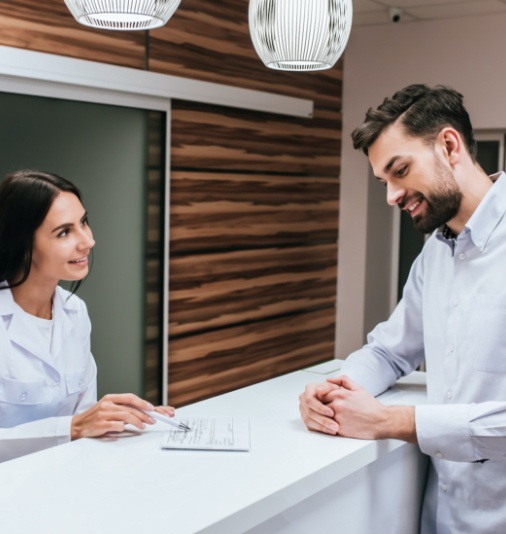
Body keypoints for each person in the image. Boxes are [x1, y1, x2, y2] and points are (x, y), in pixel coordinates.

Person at [299, 84, 506, 533]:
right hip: (440, 519)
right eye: (384, 181)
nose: (392, 196)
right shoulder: (436, 253)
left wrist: (392, 421)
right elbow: (391, 350)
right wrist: (337, 390)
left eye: (401, 170)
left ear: (449, 145)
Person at [0, 169, 175, 463]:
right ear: (22, 243)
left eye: (83, 222)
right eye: (64, 232)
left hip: (66, 481)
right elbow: (75, 426)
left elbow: (84, 420)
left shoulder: (75, 311)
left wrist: (128, 419)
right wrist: (73, 427)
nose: (87, 241)